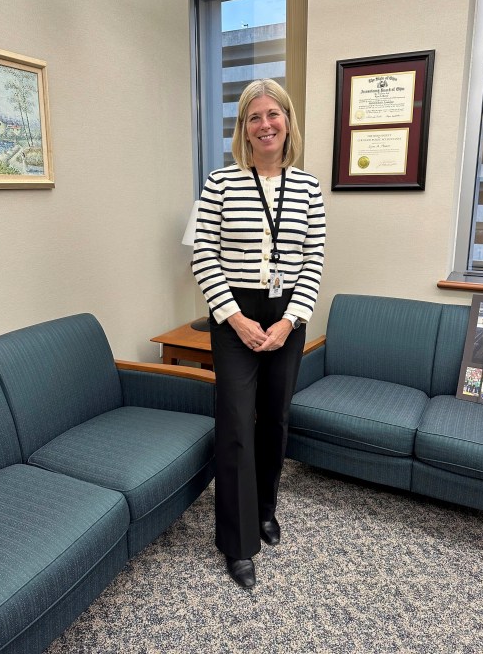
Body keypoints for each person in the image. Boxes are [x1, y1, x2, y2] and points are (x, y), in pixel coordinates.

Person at [191, 79, 326, 588]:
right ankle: (237, 541)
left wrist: (290, 320)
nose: (265, 124)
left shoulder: (308, 186)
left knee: (274, 418)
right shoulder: (220, 182)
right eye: (254, 116)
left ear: (287, 120)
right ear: (243, 129)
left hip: (289, 313)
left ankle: (266, 508)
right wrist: (235, 318)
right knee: (234, 423)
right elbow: (203, 254)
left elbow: (313, 260)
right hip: (235, 315)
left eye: (273, 114)